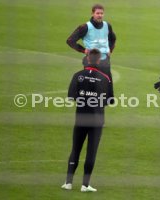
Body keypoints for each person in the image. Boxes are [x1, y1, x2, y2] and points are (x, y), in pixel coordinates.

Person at [61, 49, 113, 192]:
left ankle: (68, 182)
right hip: (97, 120)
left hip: (81, 118)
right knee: (91, 152)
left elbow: (71, 97)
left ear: (88, 59)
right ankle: (85, 185)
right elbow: (109, 100)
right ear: (98, 61)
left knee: (75, 149)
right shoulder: (105, 78)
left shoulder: (77, 75)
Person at [66, 4, 116, 78]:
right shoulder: (85, 27)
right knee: (90, 85)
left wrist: (110, 50)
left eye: (101, 13)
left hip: (105, 61)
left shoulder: (107, 25)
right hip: (91, 62)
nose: (100, 15)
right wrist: (83, 50)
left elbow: (113, 38)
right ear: (92, 14)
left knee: (107, 84)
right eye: (97, 13)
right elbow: (70, 41)